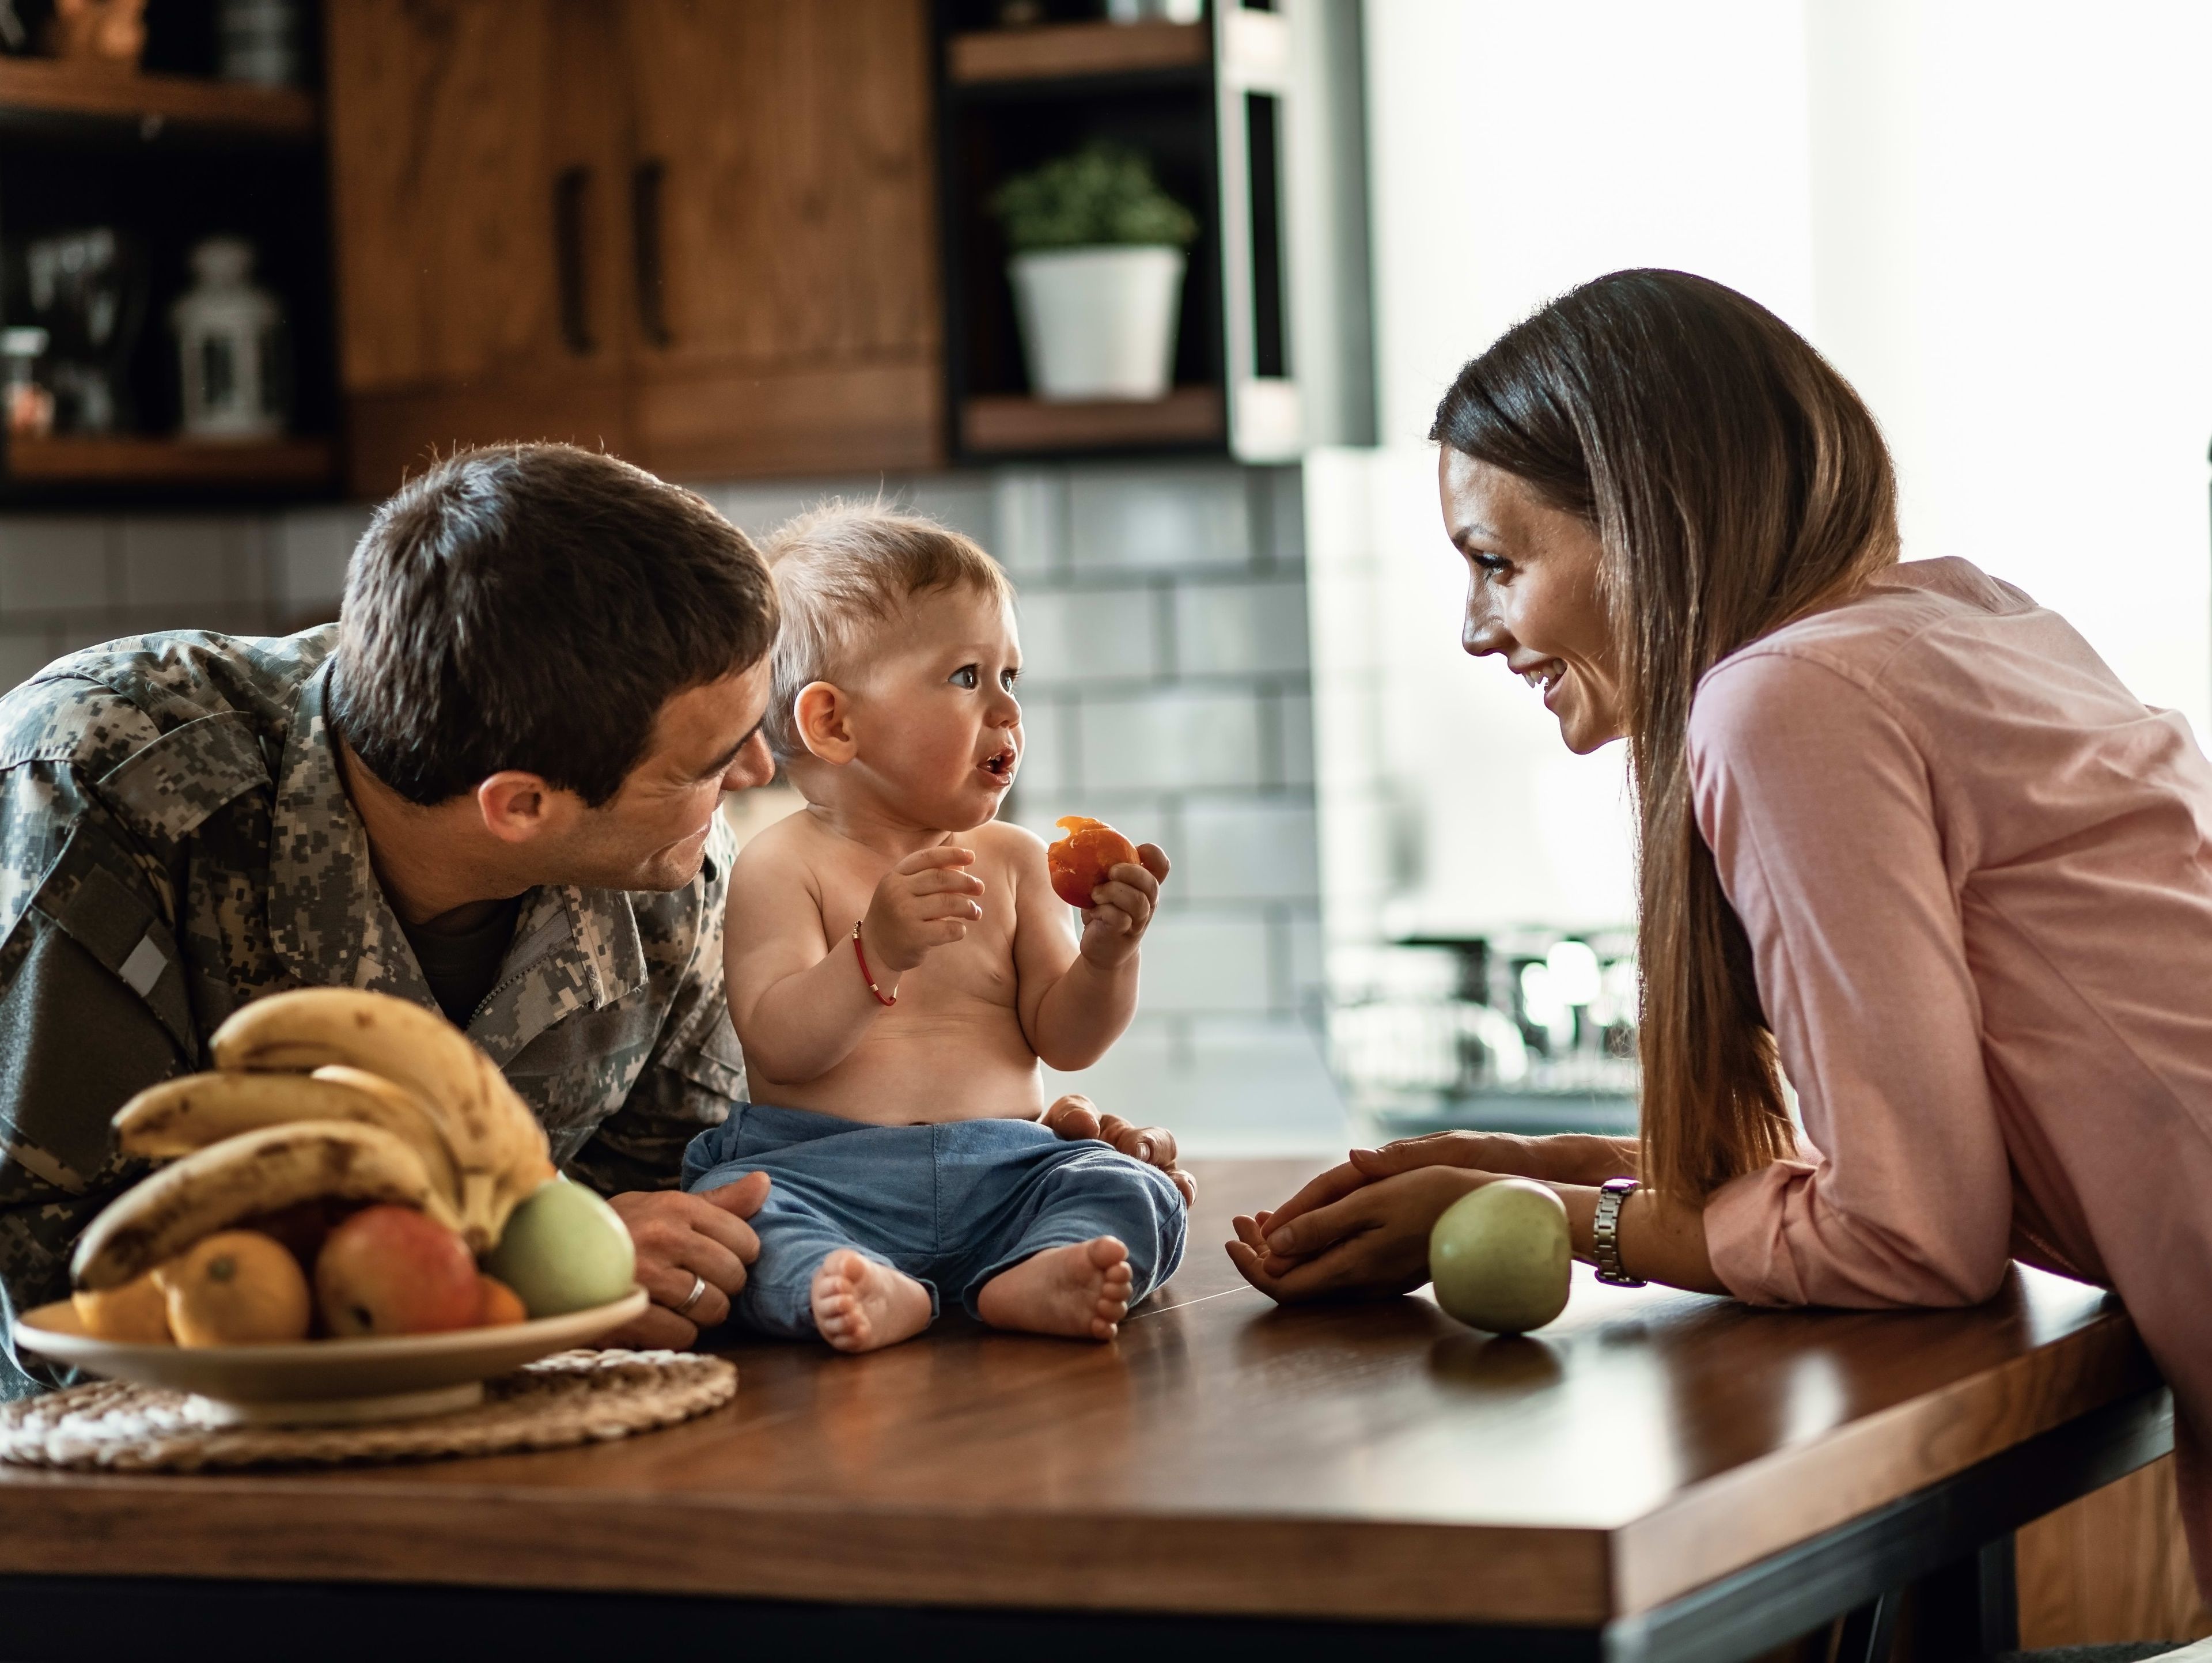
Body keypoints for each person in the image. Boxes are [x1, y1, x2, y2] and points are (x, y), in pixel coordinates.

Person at [1225, 269, 2212, 1583]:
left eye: (1498, 562)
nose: (1473, 630)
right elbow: (1929, 1161)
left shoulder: (1787, 699)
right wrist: (1548, 1166)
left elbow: (1910, 1239)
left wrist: (1566, 1220)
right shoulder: (1962, 620)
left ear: (1648, 521)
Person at [0, 444, 1184, 1391]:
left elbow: (709, 1198)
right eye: (711, 761)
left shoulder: (675, 880)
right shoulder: (105, 788)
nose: (760, 774)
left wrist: (992, 1163)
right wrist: (524, 1272)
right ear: (521, 806)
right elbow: (55, 1286)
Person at [683, 505, 1190, 1353]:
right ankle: (854, 1281)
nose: (1007, 709)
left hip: (1008, 1172)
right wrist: (874, 953)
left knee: (1132, 1186)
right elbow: (782, 1048)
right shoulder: (780, 865)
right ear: (834, 724)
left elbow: (1066, 1042)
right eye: (966, 677)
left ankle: (1041, 1268)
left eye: (1011, 677)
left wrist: (1107, 957)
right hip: (826, 1175)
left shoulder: (1015, 860)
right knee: (738, 1217)